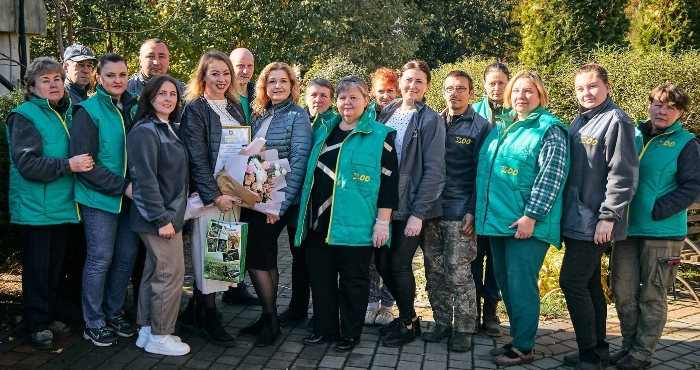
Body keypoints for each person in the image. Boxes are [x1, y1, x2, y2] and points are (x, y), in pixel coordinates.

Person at [295, 75, 398, 351]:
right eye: (342, 97)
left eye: (354, 97)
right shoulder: (323, 129)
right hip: (318, 222)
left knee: (353, 282)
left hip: (355, 225)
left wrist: (382, 223)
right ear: (336, 102)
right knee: (321, 279)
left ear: (367, 101)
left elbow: (389, 184)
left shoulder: (381, 136)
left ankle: (350, 334)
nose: (347, 102)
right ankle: (324, 328)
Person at [476, 71, 569, 366]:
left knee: (520, 285)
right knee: (506, 284)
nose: (521, 96)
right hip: (499, 221)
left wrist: (532, 216)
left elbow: (551, 178)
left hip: (526, 224)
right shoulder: (504, 125)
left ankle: (525, 347)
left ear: (540, 95)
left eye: (529, 91)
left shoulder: (550, 129)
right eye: (516, 91)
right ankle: (517, 339)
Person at [610, 84, 700, 370]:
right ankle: (628, 345)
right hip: (626, 228)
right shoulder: (632, 135)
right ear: (649, 104)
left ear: (681, 112)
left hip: (662, 233)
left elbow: (693, 187)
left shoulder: (687, 143)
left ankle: (642, 353)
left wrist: (657, 209)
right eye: (658, 104)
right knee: (622, 290)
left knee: (652, 295)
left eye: (672, 107)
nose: (663, 111)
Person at [6, 57, 94, 350]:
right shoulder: (24, 115)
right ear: (31, 88)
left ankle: (50, 314)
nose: (53, 84)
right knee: (37, 270)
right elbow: (28, 165)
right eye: (45, 80)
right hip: (35, 209)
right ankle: (36, 324)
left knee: (55, 268)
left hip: (64, 206)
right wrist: (68, 164)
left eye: (57, 78)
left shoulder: (68, 114)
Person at [559, 64, 639, 370]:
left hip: (596, 222)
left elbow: (622, 174)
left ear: (607, 86)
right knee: (590, 284)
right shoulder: (579, 120)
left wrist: (609, 217)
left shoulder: (617, 121)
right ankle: (599, 349)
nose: (586, 93)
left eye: (592, 86)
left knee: (572, 281)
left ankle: (589, 356)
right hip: (577, 219)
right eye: (580, 88)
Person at [236, 62, 312, 347]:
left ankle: (270, 319)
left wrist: (277, 205)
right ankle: (268, 317)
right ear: (264, 87)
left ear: (293, 86)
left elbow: (298, 162)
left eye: (283, 81)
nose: (277, 86)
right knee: (261, 256)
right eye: (272, 82)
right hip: (253, 196)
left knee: (258, 256)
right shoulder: (258, 114)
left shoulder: (298, 116)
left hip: (276, 202)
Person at [71, 53, 141, 347]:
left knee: (125, 259)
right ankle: (93, 321)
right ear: (98, 78)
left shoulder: (137, 106)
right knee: (100, 259)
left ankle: (113, 311)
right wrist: (122, 186)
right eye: (110, 75)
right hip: (99, 197)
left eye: (122, 75)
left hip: (133, 198)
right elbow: (86, 165)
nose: (117, 80)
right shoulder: (87, 111)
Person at [375, 60, 446, 347]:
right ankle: (409, 317)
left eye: (419, 81)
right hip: (385, 201)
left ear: (427, 86)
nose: (412, 86)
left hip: (411, 205)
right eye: (408, 80)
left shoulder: (430, 120)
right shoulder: (388, 111)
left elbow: (435, 169)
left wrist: (419, 213)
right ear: (399, 82)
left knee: (399, 265)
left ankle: (407, 321)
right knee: (381, 262)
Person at [421, 70, 491, 352]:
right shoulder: (434, 122)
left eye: (461, 88)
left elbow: (482, 173)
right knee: (434, 271)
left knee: (459, 273)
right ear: (442, 92)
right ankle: (441, 322)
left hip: (460, 210)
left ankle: (464, 328)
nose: (455, 93)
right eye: (449, 88)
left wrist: (473, 210)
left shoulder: (481, 127)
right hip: (431, 211)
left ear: (471, 93)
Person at [179, 50, 245, 348]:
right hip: (210, 196)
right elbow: (196, 157)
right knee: (208, 255)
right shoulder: (195, 108)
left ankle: (196, 311)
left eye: (225, 73)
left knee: (223, 256)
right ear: (203, 76)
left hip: (232, 196)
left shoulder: (234, 107)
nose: (221, 79)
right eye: (214, 73)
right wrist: (215, 195)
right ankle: (209, 315)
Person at [126, 75, 191, 356]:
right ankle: (161, 335)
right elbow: (144, 180)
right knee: (171, 274)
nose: (168, 98)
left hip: (165, 215)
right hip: (158, 218)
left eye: (173, 94)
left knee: (155, 272)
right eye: (162, 93)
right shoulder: (145, 131)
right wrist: (162, 219)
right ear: (149, 97)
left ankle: (146, 329)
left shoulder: (169, 127)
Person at [276, 77, 337, 328]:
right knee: (298, 259)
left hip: (321, 206)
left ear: (331, 99)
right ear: (305, 97)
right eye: (314, 95)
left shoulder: (335, 124)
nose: (318, 100)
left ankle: (322, 313)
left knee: (320, 263)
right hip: (294, 205)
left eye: (324, 95)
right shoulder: (299, 119)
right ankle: (297, 307)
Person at [54, 44, 97, 323]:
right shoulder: (62, 97)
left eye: (89, 65)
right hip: (63, 186)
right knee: (67, 252)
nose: (85, 69)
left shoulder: (89, 96)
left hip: (85, 185)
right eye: (79, 64)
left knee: (81, 249)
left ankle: (75, 303)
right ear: (65, 66)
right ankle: (64, 306)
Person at [470, 63, 510, 337]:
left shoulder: (518, 111)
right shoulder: (472, 112)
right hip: (475, 196)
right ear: (484, 84)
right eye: (492, 83)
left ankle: (491, 313)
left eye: (501, 83)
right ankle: (471, 311)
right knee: (474, 257)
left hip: (503, 199)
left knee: (496, 260)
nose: (497, 88)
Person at [365, 67, 399, 327]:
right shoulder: (366, 116)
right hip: (368, 193)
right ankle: (371, 302)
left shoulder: (403, 115)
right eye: (381, 91)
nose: (385, 96)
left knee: (389, 257)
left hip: (395, 194)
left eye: (390, 91)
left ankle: (388, 304)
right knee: (370, 255)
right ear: (371, 92)